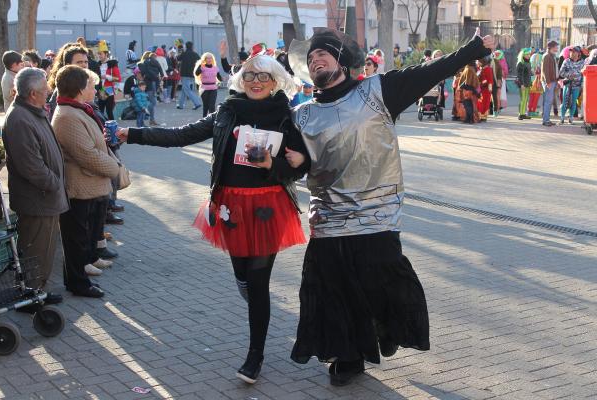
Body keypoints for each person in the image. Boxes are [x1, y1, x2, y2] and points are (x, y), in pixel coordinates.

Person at [288, 28, 494, 386]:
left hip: (376, 218)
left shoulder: (377, 92)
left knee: (380, 286)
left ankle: (384, 334)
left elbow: (430, 72)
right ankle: (349, 356)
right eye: (309, 58)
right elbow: (294, 164)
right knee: (332, 292)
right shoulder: (301, 116)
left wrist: (472, 50)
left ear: (341, 61)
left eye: (322, 54)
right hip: (328, 220)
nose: (315, 59)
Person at [116, 54, 309, 385]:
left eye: (263, 76)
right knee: (244, 277)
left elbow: (300, 169)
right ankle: (247, 290)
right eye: (249, 76)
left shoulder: (286, 118)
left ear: (275, 80)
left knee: (259, 283)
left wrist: (276, 165)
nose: (256, 81)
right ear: (240, 80)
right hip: (230, 205)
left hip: (267, 208)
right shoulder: (226, 112)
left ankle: (255, 356)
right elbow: (182, 134)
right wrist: (131, 134)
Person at [52, 65, 121, 298]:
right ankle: (77, 283)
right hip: (79, 186)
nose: (95, 87)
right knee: (76, 239)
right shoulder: (67, 115)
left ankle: (80, 278)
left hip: (87, 184)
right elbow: (86, 154)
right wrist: (114, 167)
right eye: (91, 84)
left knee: (83, 235)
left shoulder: (77, 110)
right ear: (80, 89)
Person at [1, 67, 67, 306]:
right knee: (35, 251)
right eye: (44, 89)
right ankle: (31, 297)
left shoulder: (32, 111)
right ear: (32, 94)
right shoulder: (20, 118)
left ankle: (38, 292)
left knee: (43, 250)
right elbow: (31, 165)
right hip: (38, 198)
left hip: (45, 196)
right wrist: (55, 183)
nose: (49, 91)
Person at [96, 41, 122, 121]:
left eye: (101, 54)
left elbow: (119, 78)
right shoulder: (98, 65)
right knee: (100, 111)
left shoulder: (112, 64)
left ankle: (113, 128)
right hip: (101, 89)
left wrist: (107, 77)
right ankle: (103, 127)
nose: (99, 56)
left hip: (108, 89)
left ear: (106, 54)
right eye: (98, 54)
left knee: (108, 111)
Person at [138, 51, 165, 125]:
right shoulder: (148, 65)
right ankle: (151, 119)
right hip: (149, 85)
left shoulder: (141, 64)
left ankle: (151, 119)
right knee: (152, 102)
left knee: (151, 102)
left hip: (144, 85)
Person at [559, 46, 584, 125]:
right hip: (568, 85)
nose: (571, 53)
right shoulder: (566, 61)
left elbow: (583, 73)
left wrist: (582, 83)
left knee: (573, 102)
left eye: (573, 52)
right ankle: (562, 118)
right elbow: (561, 73)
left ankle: (571, 118)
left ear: (578, 53)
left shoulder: (582, 62)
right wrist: (569, 75)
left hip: (577, 86)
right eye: (571, 52)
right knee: (565, 102)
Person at [194, 52, 223, 117]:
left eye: (210, 58)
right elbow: (196, 73)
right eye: (207, 58)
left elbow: (219, 77)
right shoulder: (202, 67)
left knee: (212, 106)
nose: (209, 59)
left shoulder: (215, 68)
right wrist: (200, 65)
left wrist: (222, 79)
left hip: (213, 88)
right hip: (204, 88)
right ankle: (204, 119)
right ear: (205, 59)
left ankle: (211, 121)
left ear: (212, 59)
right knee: (206, 106)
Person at [176, 41, 201, 110]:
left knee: (187, 89)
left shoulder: (184, 53)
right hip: (193, 74)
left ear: (186, 46)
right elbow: (200, 61)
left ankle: (197, 103)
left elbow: (178, 58)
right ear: (192, 46)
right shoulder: (195, 54)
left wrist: (181, 52)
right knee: (184, 89)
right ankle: (180, 105)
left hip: (184, 74)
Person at [542, 40, 560, 126]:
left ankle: (547, 119)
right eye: (556, 47)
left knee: (549, 101)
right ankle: (546, 120)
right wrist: (548, 82)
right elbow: (545, 70)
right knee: (548, 101)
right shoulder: (547, 56)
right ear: (551, 48)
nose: (557, 48)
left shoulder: (552, 56)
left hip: (552, 81)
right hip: (549, 82)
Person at [516, 48, 532, 120]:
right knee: (523, 99)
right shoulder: (520, 63)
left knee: (526, 99)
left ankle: (523, 113)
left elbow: (528, 74)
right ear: (523, 55)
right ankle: (520, 114)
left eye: (529, 54)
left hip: (527, 83)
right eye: (527, 54)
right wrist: (521, 84)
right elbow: (520, 75)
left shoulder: (528, 62)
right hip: (523, 84)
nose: (529, 55)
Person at [528, 52, 543, 117]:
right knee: (535, 99)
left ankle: (529, 111)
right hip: (537, 84)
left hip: (531, 83)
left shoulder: (530, 65)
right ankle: (533, 111)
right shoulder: (539, 67)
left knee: (531, 98)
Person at [490, 50, 504, 116]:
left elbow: (499, 73)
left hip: (494, 82)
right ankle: (485, 111)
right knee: (485, 97)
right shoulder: (484, 61)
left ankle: (495, 111)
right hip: (486, 82)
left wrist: (499, 80)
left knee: (494, 97)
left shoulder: (496, 62)